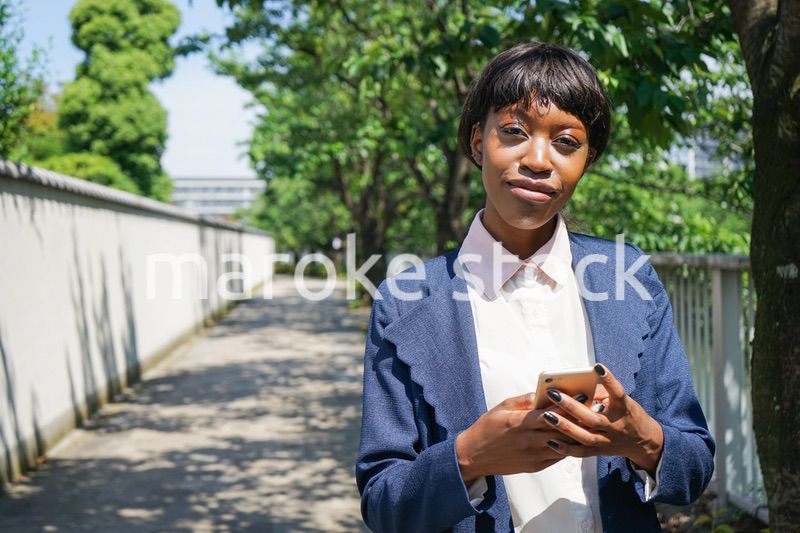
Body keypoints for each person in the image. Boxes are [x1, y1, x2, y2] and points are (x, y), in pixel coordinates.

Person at [355, 42, 714, 533]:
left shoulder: (628, 278)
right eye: (514, 132)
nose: (539, 160)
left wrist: (642, 439)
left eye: (566, 142)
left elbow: (694, 468)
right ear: (478, 141)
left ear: (586, 160)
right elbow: (383, 504)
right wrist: (469, 455)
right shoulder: (405, 302)